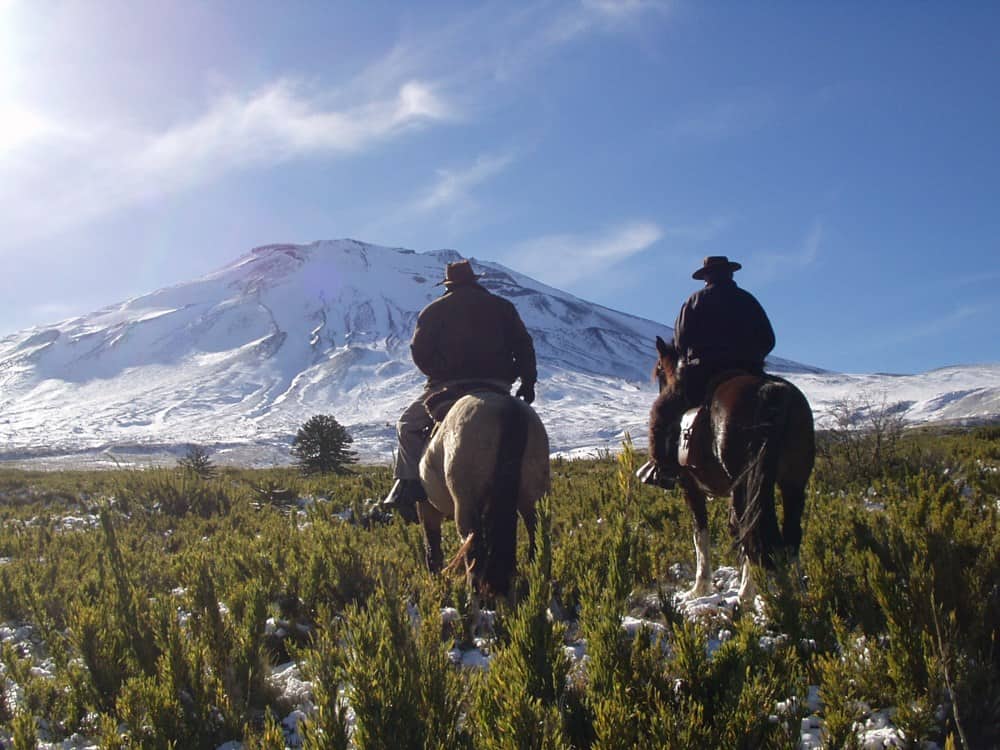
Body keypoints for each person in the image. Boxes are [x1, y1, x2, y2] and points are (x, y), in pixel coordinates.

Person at [380, 259, 538, 522]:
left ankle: (410, 486)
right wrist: (528, 381)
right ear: (474, 281)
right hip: (497, 385)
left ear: (449, 284)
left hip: (449, 386)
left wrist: (438, 374)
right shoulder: (503, 307)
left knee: (407, 425)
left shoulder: (434, 310)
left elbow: (419, 352)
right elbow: (524, 345)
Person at [650, 255, 775, 486]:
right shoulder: (748, 300)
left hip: (704, 374)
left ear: (706, 277)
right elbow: (768, 339)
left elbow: (680, 341)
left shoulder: (695, 301)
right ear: (730, 274)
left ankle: (664, 469)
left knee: (662, 411)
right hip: (750, 370)